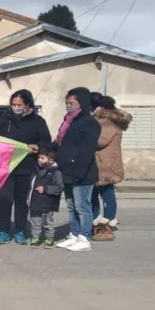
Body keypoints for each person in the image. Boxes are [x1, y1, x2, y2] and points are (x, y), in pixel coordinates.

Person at [0, 89, 52, 245]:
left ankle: (20, 231)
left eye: (19, 104)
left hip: (26, 168)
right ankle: (3, 231)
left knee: (22, 201)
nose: (16, 107)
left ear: (27, 105)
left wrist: (38, 147)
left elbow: (46, 141)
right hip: (6, 168)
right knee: (4, 199)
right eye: (13, 104)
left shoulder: (37, 122)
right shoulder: (4, 119)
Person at [55, 87, 102, 252]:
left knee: (83, 206)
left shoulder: (90, 123)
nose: (68, 106)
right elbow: (59, 143)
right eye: (67, 103)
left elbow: (87, 150)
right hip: (67, 171)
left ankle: (84, 237)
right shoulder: (69, 122)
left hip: (82, 173)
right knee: (71, 206)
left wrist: (78, 170)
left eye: (72, 103)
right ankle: (74, 234)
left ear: (81, 102)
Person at [90, 93, 132, 242]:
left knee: (106, 195)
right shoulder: (107, 118)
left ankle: (105, 225)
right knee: (94, 194)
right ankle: (96, 223)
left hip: (105, 165)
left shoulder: (105, 121)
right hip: (101, 163)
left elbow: (100, 141)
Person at [27, 143, 64, 248]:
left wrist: (46, 189)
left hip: (48, 202)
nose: (39, 159)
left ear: (50, 161)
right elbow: (31, 185)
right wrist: (28, 198)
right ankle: (35, 238)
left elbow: (59, 187)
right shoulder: (35, 170)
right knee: (35, 221)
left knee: (48, 222)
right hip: (35, 201)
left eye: (42, 158)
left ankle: (49, 239)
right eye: (39, 157)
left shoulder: (55, 172)